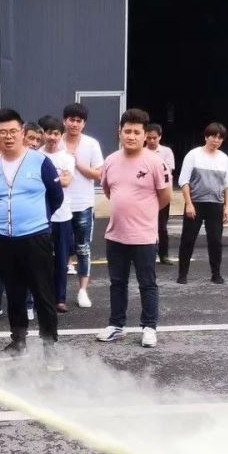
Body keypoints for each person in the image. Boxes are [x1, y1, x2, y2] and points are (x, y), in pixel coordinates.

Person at [0, 108, 64, 365]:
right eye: (2, 133)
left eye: (13, 131)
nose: (8, 137)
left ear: (22, 132)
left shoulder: (40, 162)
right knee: (14, 293)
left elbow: (56, 197)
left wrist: (38, 220)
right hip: (5, 240)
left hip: (36, 238)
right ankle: (18, 342)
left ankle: (50, 348)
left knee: (43, 293)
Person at [96, 110, 172, 348]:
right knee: (117, 283)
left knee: (147, 284)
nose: (131, 136)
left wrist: (144, 213)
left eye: (136, 132)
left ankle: (149, 327)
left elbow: (165, 196)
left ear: (145, 135)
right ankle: (116, 325)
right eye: (127, 131)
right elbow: (109, 191)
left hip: (144, 236)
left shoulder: (156, 162)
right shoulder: (110, 161)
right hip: (115, 234)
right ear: (119, 132)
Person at [177, 122, 228, 285]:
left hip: (216, 204)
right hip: (196, 203)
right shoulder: (193, 155)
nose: (216, 140)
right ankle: (182, 274)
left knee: (215, 241)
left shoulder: (224, 158)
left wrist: (227, 207)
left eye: (220, 138)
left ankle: (216, 274)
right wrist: (189, 203)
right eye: (213, 136)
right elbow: (184, 181)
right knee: (188, 240)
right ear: (206, 137)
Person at [62, 102, 104, 309]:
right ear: (64, 121)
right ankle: (58, 293)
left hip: (83, 204)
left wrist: (76, 163)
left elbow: (99, 175)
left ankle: (82, 291)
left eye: (79, 121)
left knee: (83, 249)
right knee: (58, 250)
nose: (75, 124)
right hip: (59, 206)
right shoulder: (56, 142)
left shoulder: (91, 144)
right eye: (71, 120)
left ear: (84, 123)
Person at [41, 118, 75, 312]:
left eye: (56, 133)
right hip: (41, 216)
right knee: (42, 260)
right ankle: (42, 298)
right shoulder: (36, 156)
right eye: (49, 132)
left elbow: (67, 182)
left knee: (61, 260)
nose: (52, 137)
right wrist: (56, 179)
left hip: (62, 216)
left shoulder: (67, 158)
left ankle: (60, 299)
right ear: (43, 134)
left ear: (61, 136)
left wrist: (47, 180)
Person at [144, 122, 176, 264]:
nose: (151, 141)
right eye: (149, 138)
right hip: (146, 194)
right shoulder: (141, 151)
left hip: (162, 194)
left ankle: (164, 255)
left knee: (161, 226)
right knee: (144, 225)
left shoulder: (166, 152)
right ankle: (144, 254)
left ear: (160, 137)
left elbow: (168, 171)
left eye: (154, 138)